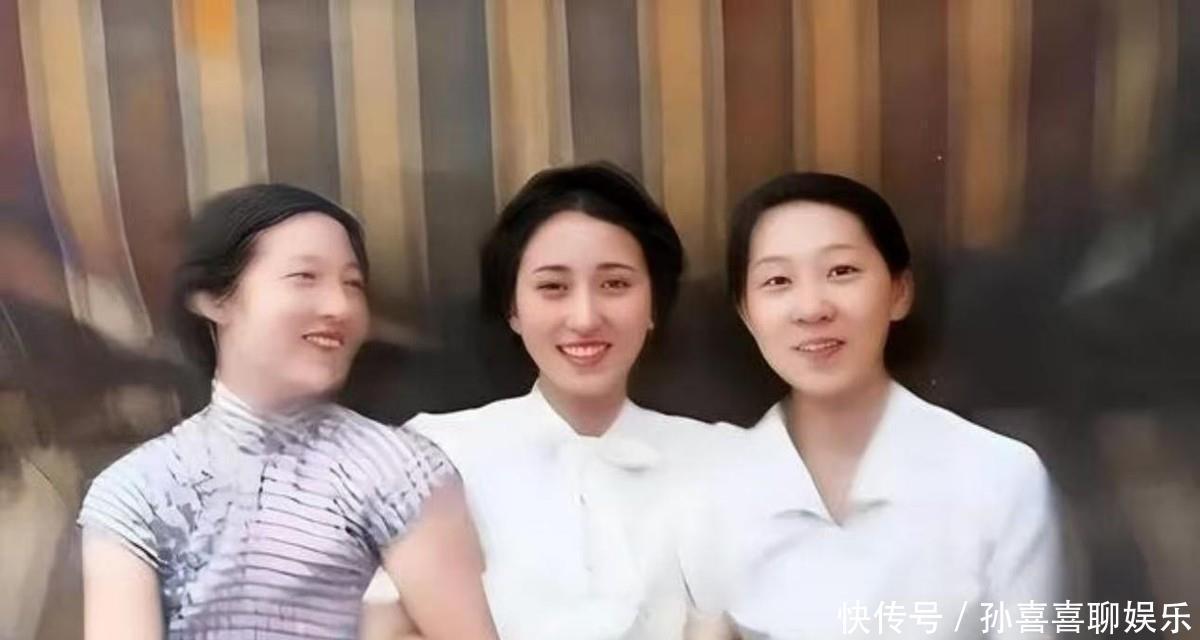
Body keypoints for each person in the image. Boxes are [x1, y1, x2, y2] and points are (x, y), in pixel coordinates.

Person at [76, 184, 497, 639]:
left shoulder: (400, 470)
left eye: (352, 284)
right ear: (214, 299)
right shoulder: (135, 489)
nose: (339, 306)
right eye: (305, 277)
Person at [363, 163, 735, 639]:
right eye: (553, 287)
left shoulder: (719, 459)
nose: (584, 318)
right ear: (513, 309)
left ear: (653, 306)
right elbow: (387, 627)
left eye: (615, 284)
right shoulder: (438, 455)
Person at [692, 172, 1064, 639]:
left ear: (899, 291)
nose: (812, 308)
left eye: (841, 271)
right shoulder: (708, 491)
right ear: (747, 314)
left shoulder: (1001, 475)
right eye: (778, 280)